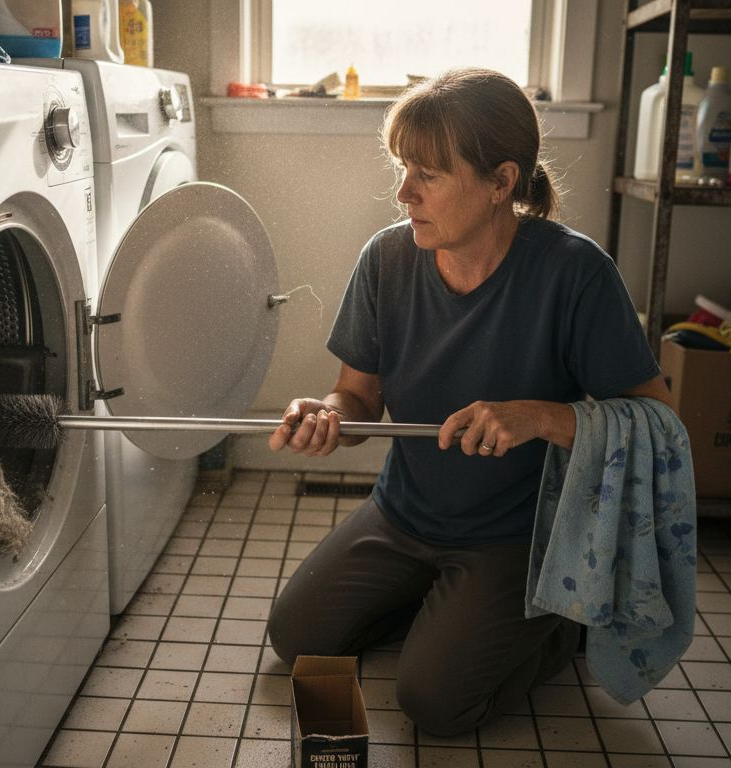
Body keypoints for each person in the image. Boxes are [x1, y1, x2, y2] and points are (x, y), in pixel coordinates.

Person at [265, 67, 673, 736]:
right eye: (403, 169)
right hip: (403, 515)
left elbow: (658, 422)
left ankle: (560, 625)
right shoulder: (386, 260)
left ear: (501, 182)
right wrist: (329, 414)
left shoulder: (575, 273)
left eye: (427, 174)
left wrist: (539, 415)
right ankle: (449, 610)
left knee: (434, 703)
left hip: (518, 536)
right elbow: (357, 395)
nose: (404, 193)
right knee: (297, 636)